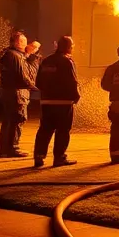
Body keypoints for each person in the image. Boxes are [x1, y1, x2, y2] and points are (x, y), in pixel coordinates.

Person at [34, 35, 80, 168]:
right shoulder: (67, 61)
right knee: (63, 130)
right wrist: (76, 96)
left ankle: (39, 156)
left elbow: (38, 82)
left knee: (45, 129)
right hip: (63, 102)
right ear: (69, 47)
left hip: (46, 102)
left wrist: (47, 93)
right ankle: (59, 157)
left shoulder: (46, 61)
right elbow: (72, 81)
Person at [0, 30, 37, 158]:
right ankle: (12, 148)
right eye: (23, 41)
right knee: (17, 119)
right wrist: (34, 86)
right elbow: (25, 75)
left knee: (9, 120)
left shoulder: (10, 55)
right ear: (16, 43)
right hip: (18, 93)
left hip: (10, 92)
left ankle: (5, 149)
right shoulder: (15, 56)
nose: (26, 44)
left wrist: (28, 54)